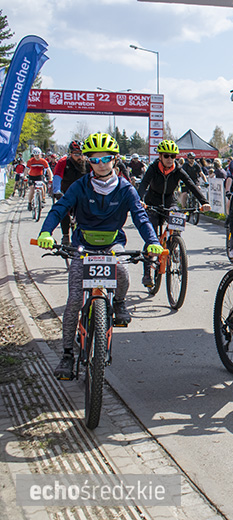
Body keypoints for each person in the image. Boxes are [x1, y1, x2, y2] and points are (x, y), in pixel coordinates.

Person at [35, 133, 164, 381]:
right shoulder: (80, 186)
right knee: (74, 299)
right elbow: (60, 208)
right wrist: (45, 231)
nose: (101, 164)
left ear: (115, 160)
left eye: (106, 158)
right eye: (94, 160)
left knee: (123, 272)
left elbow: (140, 217)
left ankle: (118, 303)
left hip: (112, 243)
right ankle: (67, 353)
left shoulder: (126, 188)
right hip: (83, 246)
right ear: (88, 162)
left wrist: (153, 241)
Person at [136, 140, 211, 286]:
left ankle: (175, 244)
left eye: (173, 156)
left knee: (177, 220)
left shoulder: (178, 170)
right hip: (152, 203)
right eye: (166, 156)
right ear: (160, 156)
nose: (170, 159)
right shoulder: (153, 168)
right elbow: (144, 184)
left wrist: (204, 202)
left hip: (169, 202)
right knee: (151, 237)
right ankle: (147, 273)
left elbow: (191, 184)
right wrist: (139, 200)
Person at [52, 140, 89, 245]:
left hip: (83, 193)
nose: (80, 157)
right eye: (77, 154)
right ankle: (65, 235)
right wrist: (57, 190)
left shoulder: (88, 164)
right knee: (64, 211)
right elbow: (57, 177)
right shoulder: (63, 162)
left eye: (82, 154)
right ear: (70, 153)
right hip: (66, 192)